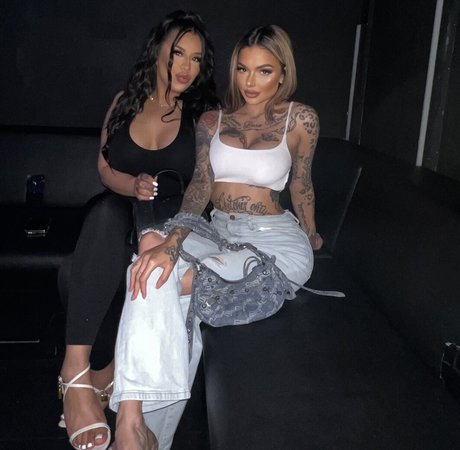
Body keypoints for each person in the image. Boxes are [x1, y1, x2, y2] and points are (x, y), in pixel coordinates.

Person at [109, 24, 323, 450]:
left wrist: (313, 234)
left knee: (171, 281)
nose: (250, 82)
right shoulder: (212, 120)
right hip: (220, 231)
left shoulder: (301, 119)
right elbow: (200, 187)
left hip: (275, 241)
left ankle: (140, 432)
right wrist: (173, 241)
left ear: (283, 73)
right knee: (149, 254)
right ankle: (133, 419)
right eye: (242, 69)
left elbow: (301, 183)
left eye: (264, 71)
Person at [57, 10, 219, 450]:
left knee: (144, 257)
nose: (186, 67)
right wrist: (131, 185)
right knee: (106, 214)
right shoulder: (125, 100)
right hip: (121, 209)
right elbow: (104, 167)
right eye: (178, 53)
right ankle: (75, 371)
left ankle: (111, 379)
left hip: (174, 217)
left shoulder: (203, 114)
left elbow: (203, 185)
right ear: (158, 51)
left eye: (196, 59)